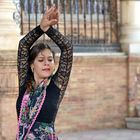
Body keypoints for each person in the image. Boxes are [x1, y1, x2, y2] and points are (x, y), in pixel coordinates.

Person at [16, 6, 73, 140]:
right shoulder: (25, 84)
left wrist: (49, 30)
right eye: (41, 60)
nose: (47, 63)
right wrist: (40, 28)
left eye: (50, 60)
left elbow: (67, 49)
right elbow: (23, 45)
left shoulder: (56, 85)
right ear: (32, 65)